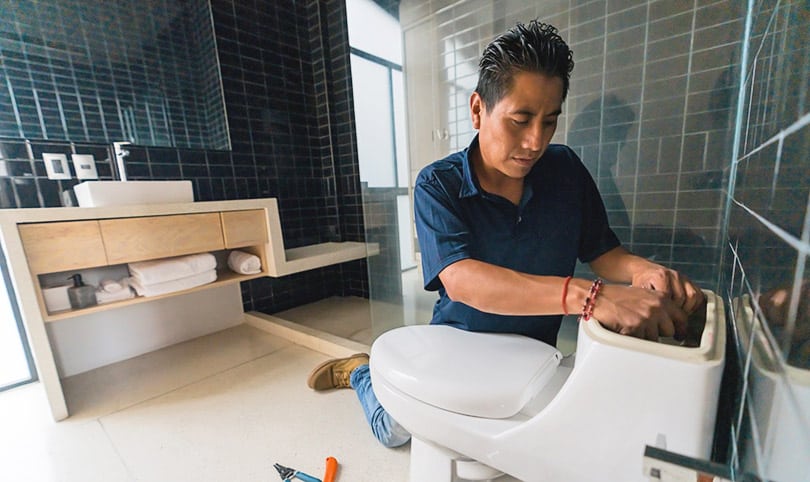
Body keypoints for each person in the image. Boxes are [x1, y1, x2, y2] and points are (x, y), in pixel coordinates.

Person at [306, 19, 705, 448]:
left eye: (549, 122)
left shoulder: (566, 169)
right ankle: (364, 373)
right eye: (520, 120)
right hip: (457, 344)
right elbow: (462, 281)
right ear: (478, 110)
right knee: (395, 432)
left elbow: (603, 251)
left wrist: (642, 270)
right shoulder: (438, 185)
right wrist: (592, 296)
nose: (536, 141)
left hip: (533, 354)